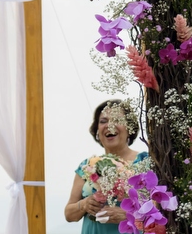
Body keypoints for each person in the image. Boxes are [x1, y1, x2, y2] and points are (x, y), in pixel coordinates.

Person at [64, 99, 149, 232]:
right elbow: (69, 214)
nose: (110, 125)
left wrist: (128, 215)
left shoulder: (145, 162)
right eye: (103, 121)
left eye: (117, 120)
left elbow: (161, 209)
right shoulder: (87, 166)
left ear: (130, 127)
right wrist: (85, 204)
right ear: (97, 130)